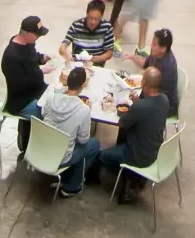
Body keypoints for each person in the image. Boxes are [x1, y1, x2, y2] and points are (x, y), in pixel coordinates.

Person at [93, 65, 170, 202]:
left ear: (144, 83)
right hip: (155, 151)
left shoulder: (140, 107)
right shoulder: (164, 100)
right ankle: (133, 179)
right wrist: (138, 103)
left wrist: (135, 106)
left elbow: (122, 123)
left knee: (102, 156)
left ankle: (126, 178)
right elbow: (149, 111)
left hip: (136, 155)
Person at [39, 66, 100, 197]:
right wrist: (86, 111)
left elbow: (44, 114)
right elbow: (83, 140)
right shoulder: (83, 110)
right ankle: (72, 185)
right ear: (83, 84)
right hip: (61, 157)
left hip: (40, 150)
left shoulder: (50, 99)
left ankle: (68, 176)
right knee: (94, 144)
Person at [0, 15, 53, 153]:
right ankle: (31, 145)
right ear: (28, 34)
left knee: (59, 99)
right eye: (37, 35)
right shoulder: (12, 56)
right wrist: (41, 72)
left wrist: (41, 58)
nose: (38, 38)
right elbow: (20, 86)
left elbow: (31, 57)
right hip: (21, 101)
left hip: (37, 91)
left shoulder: (27, 44)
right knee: (52, 114)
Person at [63, 0, 116, 65]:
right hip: (77, 64)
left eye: (96, 19)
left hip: (96, 65)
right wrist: (68, 57)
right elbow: (63, 47)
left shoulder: (107, 27)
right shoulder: (76, 26)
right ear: (87, 14)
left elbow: (109, 53)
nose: (92, 22)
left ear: (102, 16)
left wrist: (93, 59)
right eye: (90, 18)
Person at [143, 27, 180, 115]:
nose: (151, 45)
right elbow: (145, 64)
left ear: (163, 48)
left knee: (135, 112)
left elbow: (158, 96)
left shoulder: (168, 67)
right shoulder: (156, 54)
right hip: (152, 95)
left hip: (164, 106)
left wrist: (139, 102)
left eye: (154, 44)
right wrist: (133, 58)